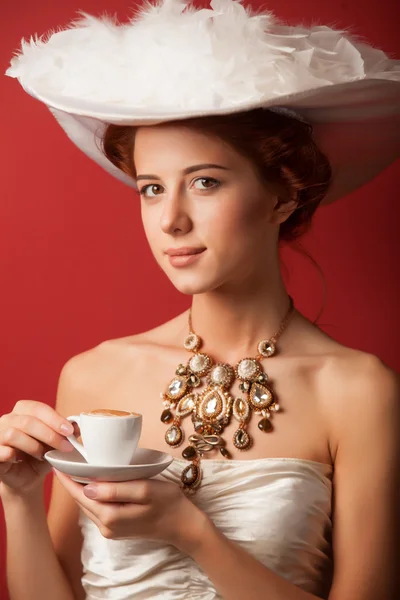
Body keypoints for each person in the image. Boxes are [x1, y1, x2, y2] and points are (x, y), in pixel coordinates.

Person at [1, 1, 400, 599]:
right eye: (152, 188)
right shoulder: (94, 376)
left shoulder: (357, 390)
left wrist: (193, 533)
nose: (171, 221)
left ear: (283, 197)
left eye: (205, 182)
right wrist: (19, 498)